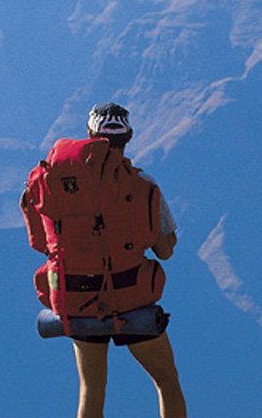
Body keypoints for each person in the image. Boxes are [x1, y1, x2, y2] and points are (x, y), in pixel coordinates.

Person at [64, 103, 186, 418]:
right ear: (129, 136)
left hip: (80, 296)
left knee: (91, 390)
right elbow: (165, 251)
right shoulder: (143, 184)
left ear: (89, 134)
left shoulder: (65, 184)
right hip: (131, 295)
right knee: (167, 382)